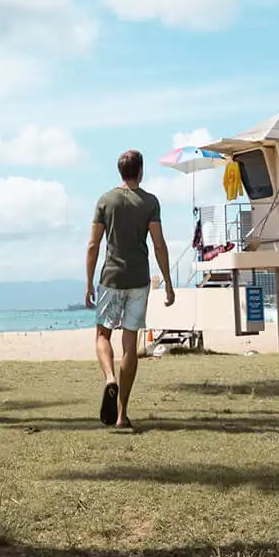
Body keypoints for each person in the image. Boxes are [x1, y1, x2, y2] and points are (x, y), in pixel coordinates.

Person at [85, 148, 174, 432]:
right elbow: (159, 244)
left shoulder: (105, 200)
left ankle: (109, 377)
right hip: (138, 278)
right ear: (141, 171)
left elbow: (93, 245)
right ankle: (122, 414)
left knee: (102, 334)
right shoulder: (150, 202)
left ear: (119, 171)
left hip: (111, 278)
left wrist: (89, 283)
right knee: (130, 344)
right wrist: (169, 282)